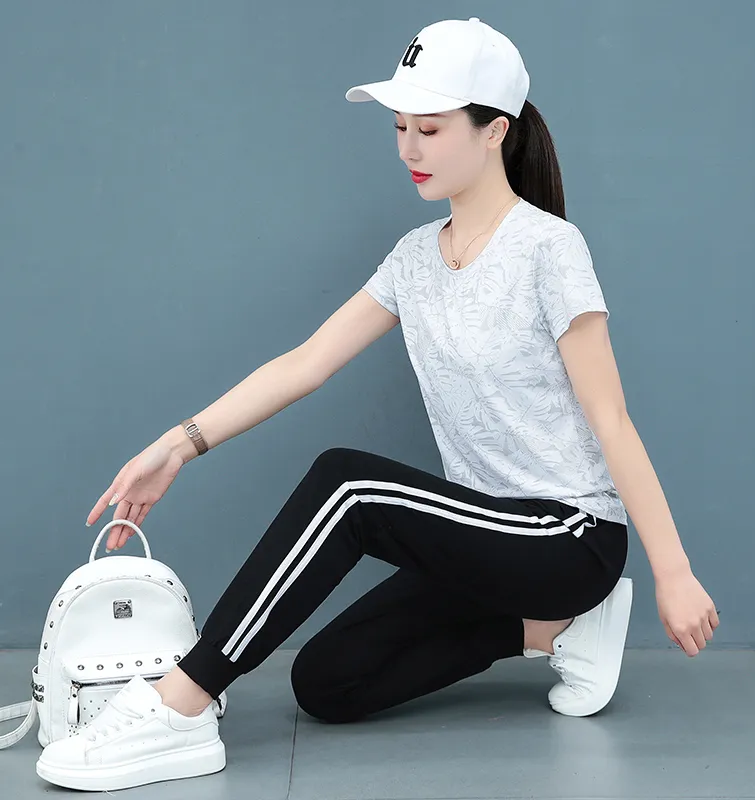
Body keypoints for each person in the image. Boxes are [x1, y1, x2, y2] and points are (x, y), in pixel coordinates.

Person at [35, 16, 719, 792]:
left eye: (430, 128)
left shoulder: (549, 250)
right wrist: (177, 444)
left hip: (569, 537)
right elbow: (306, 364)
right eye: (399, 128)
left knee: (350, 485)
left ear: (495, 131)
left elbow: (612, 420)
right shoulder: (414, 259)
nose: (408, 149)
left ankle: (181, 705)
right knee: (328, 683)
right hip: (481, 536)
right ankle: (547, 631)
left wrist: (674, 572)